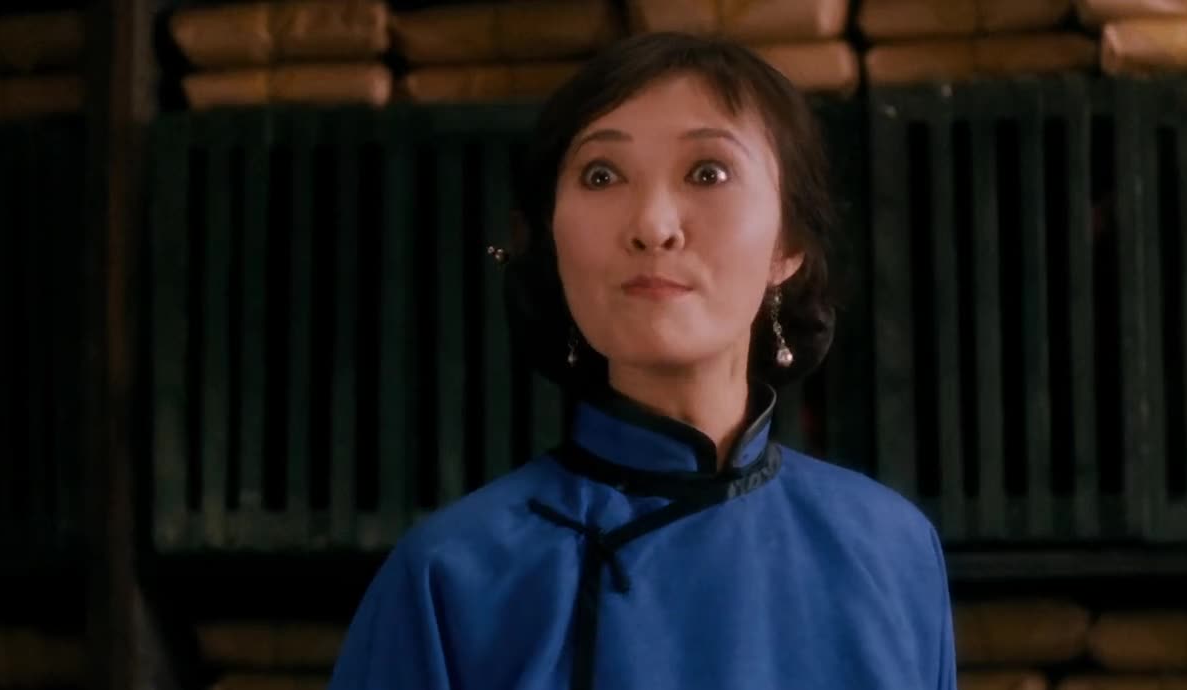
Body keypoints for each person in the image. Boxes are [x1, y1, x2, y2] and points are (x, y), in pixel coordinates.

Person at [329, 31, 957, 690]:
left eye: (708, 172)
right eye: (601, 175)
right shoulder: (452, 578)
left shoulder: (892, 549)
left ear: (788, 244)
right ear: (552, 241)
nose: (653, 225)